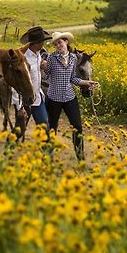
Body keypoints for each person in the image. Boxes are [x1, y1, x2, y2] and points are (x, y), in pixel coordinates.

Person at [43, 31, 97, 161]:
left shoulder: (73, 58)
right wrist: (40, 67)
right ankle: (48, 158)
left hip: (69, 97)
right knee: (51, 128)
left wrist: (86, 82)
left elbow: (73, 78)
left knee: (77, 127)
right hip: (53, 98)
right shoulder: (51, 58)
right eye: (55, 44)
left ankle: (80, 158)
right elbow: (45, 76)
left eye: (60, 42)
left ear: (66, 41)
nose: (58, 45)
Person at [11, 26, 52, 132]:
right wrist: (19, 107)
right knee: (20, 130)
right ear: (36, 43)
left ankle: (46, 149)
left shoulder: (38, 55)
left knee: (44, 127)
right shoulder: (23, 59)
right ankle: (9, 146)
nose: (43, 44)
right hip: (25, 101)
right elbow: (16, 84)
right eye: (42, 42)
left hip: (37, 98)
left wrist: (42, 65)